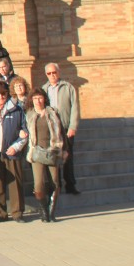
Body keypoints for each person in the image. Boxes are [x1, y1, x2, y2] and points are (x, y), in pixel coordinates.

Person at [0, 82, 28, 222]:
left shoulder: (17, 110)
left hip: (12, 152)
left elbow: (25, 132)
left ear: (7, 94)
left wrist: (16, 146)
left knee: (15, 183)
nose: (0, 97)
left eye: (3, 94)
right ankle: (1, 213)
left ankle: (17, 213)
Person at [26, 87, 66, 222]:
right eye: (35, 98)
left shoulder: (53, 113)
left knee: (55, 182)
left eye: (40, 98)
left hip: (52, 151)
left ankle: (51, 211)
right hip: (37, 151)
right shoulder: (29, 114)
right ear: (32, 100)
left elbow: (62, 132)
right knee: (38, 184)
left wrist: (64, 150)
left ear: (44, 99)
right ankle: (43, 209)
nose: (38, 101)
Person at [45, 63, 81, 195]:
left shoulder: (68, 87)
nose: (52, 75)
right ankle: (56, 185)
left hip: (66, 127)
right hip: (52, 129)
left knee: (68, 157)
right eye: (49, 73)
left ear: (58, 72)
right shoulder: (44, 89)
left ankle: (70, 184)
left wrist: (73, 126)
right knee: (54, 156)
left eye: (54, 72)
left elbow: (75, 108)